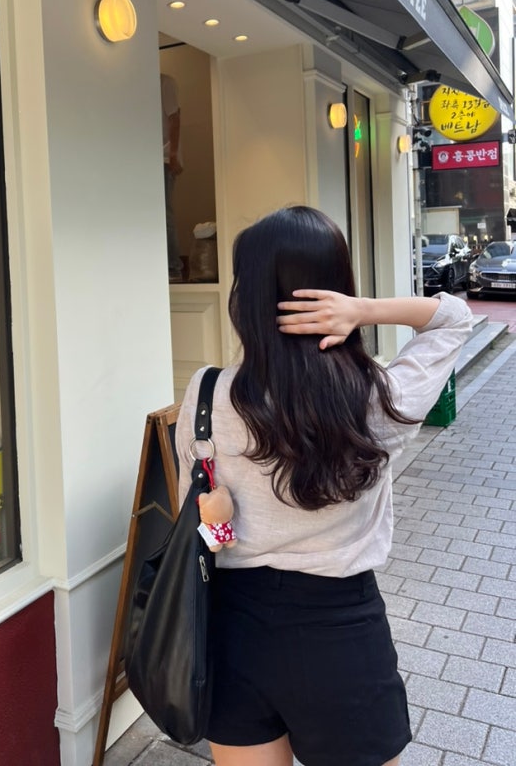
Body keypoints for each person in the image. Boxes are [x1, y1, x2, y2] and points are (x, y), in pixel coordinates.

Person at [175, 205, 473, 766]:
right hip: (342, 632)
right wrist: (363, 311)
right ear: (337, 289)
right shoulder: (379, 400)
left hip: (232, 630)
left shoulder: (207, 394)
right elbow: (453, 318)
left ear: (246, 299)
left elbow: (196, 515)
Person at [161, 73, 184, 282]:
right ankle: (166, 265)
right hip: (152, 159)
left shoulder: (164, 82)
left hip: (164, 158)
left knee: (164, 212)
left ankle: (173, 267)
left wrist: (173, 155)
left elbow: (174, 118)